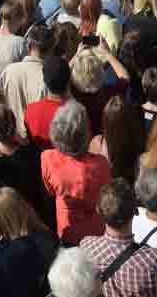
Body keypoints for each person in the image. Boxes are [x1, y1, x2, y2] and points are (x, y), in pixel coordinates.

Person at [42, 101, 112, 243]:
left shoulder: (47, 158)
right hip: (95, 230)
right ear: (87, 133)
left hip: (67, 227)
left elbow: (50, 190)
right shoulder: (102, 164)